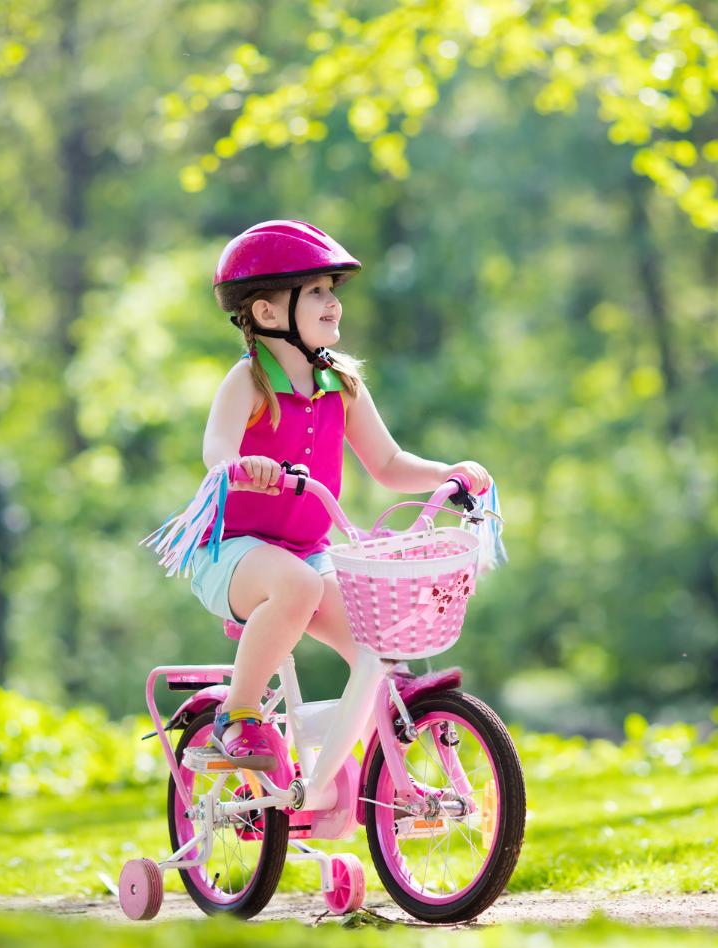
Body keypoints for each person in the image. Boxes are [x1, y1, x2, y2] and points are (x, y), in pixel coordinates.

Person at [173, 220, 491, 770]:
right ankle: (239, 718)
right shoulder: (249, 381)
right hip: (231, 550)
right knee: (295, 586)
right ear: (268, 313)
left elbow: (388, 464)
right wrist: (240, 466)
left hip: (308, 554)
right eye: (315, 291)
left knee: (378, 644)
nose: (331, 303)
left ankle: (376, 780)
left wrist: (447, 471)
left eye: (332, 291)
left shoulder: (341, 384)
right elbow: (216, 450)